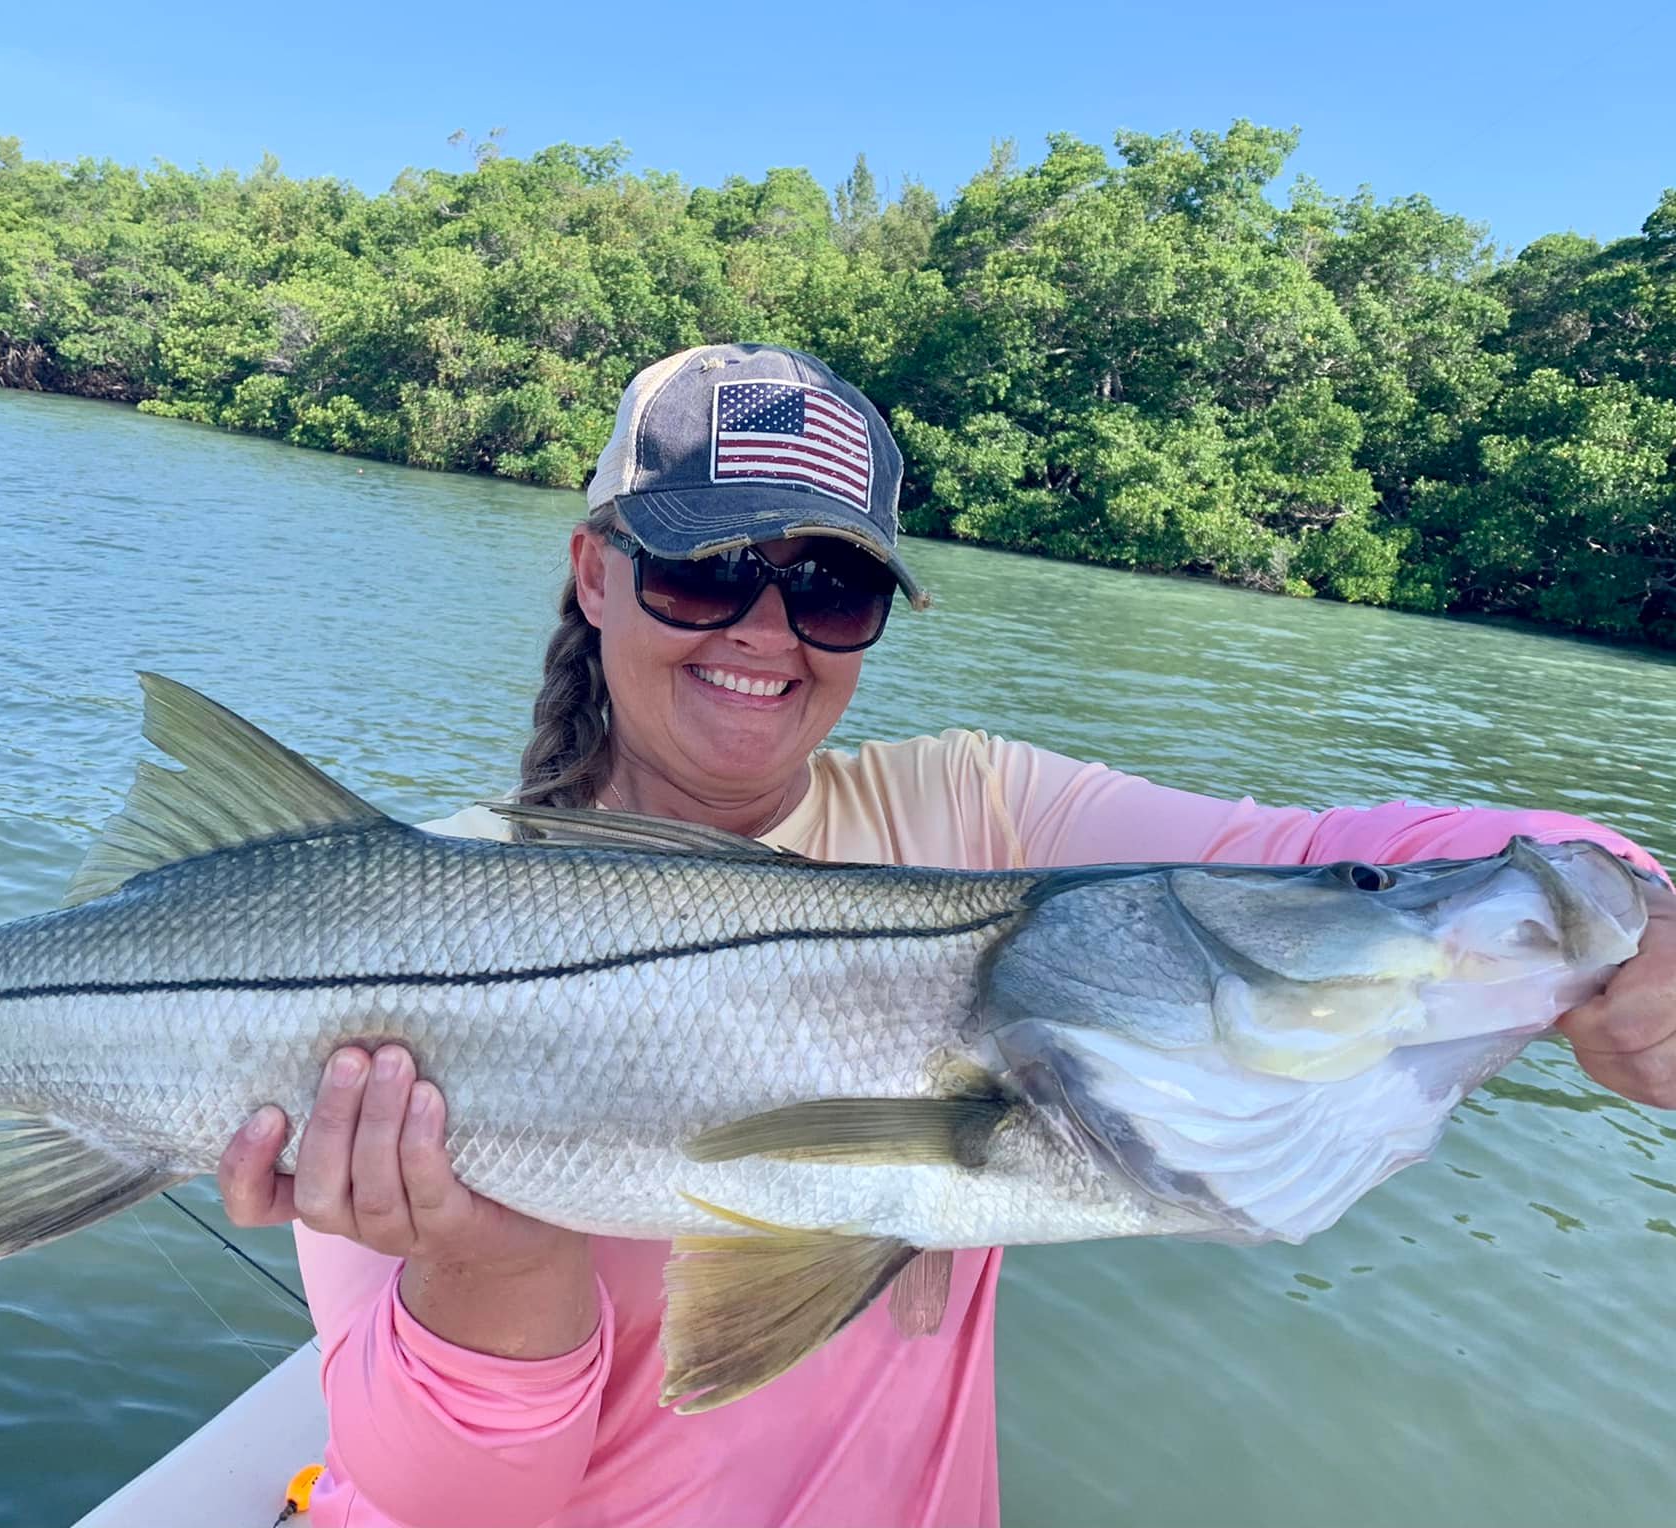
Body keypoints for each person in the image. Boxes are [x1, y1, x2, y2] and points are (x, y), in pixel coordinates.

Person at [218, 343, 1676, 1528]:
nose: (765, 631)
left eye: (830, 586)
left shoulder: (983, 806)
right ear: (593, 576)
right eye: (701, 570)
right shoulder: (395, 917)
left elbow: (1354, 862)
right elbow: (458, 1500)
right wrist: (487, 1266)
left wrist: (1636, 907)